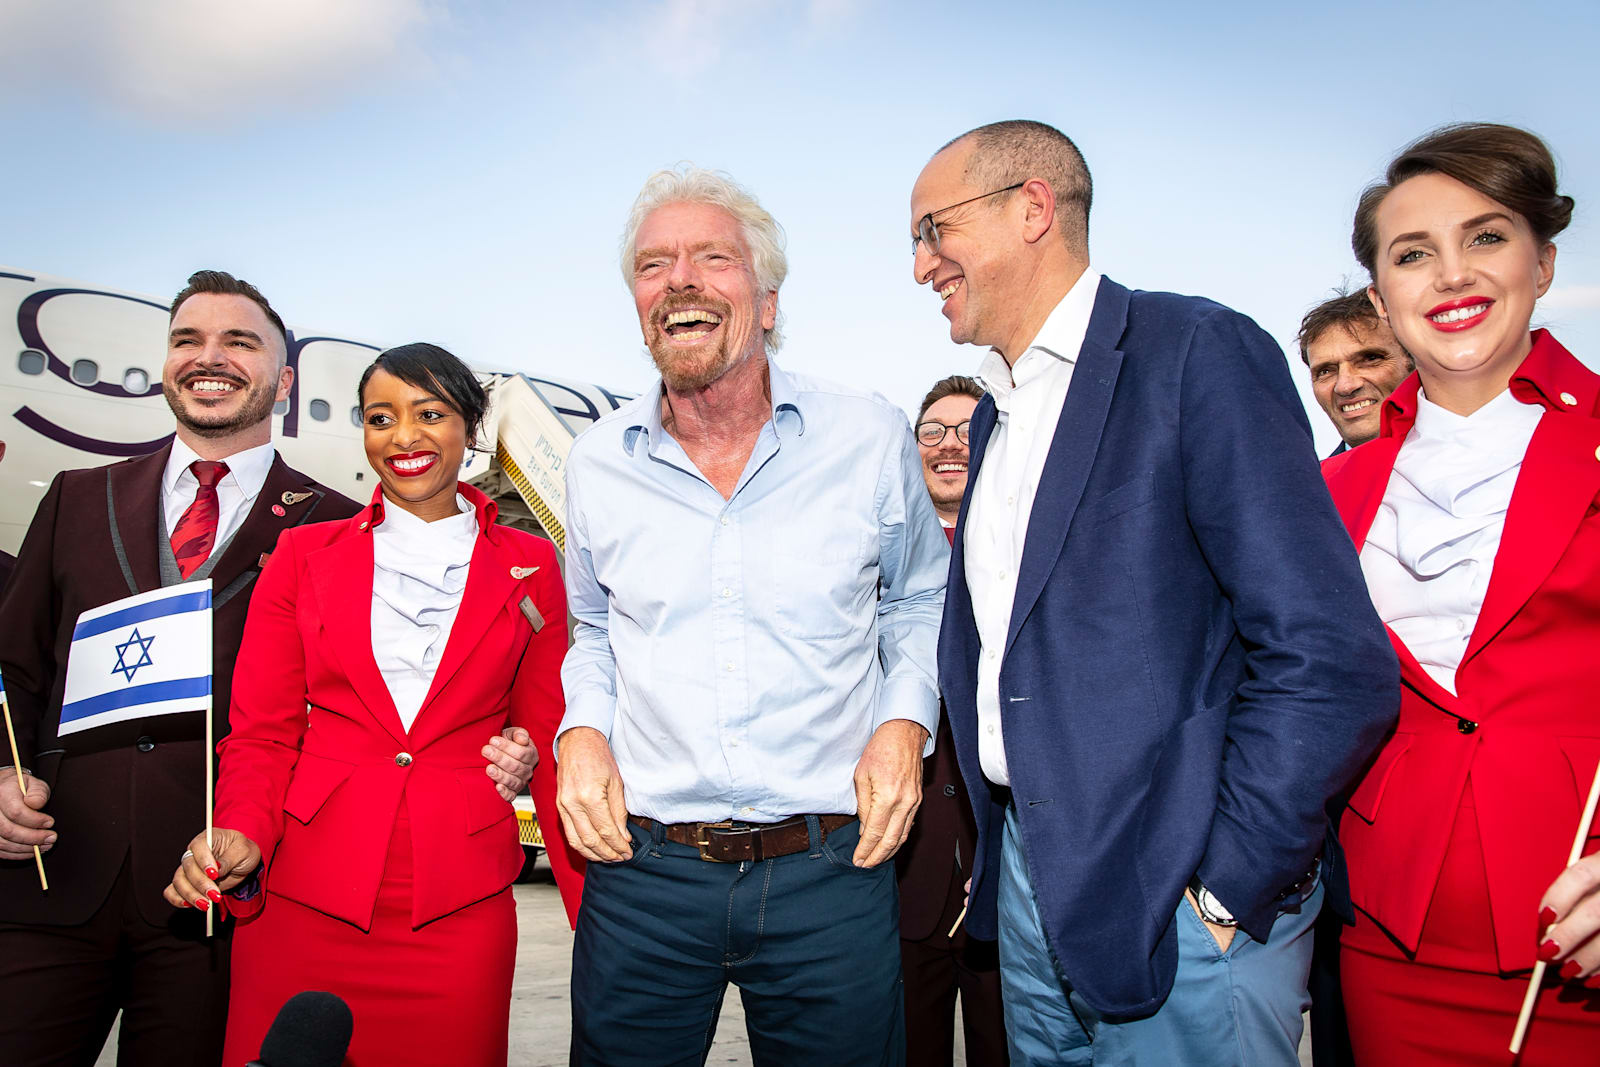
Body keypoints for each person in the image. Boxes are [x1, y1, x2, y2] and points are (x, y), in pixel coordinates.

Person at [912, 120, 1398, 1064]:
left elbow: (1325, 651)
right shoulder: (995, 418)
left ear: (1032, 210)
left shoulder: (1194, 353)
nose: (922, 264)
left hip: (1182, 899)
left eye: (934, 229)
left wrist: (1225, 882)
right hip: (1028, 883)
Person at [557, 166, 948, 1066]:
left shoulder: (869, 436)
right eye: (655, 265)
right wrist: (582, 729)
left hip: (830, 873)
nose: (681, 279)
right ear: (638, 302)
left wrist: (903, 721)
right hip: (642, 873)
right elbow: (591, 629)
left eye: (712, 258)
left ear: (766, 301)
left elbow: (920, 598)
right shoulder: (594, 462)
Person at [0, 271, 387, 1066]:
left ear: (282, 381)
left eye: (239, 342)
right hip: (50, 873)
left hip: (213, 898)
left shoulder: (338, 527)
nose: (209, 356)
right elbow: (14, 668)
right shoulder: (78, 496)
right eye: (188, 340)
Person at [165, 342, 582, 1066]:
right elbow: (262, 733)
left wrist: (596, 910)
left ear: (471, 428)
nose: (404, 436)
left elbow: (547, 742)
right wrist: (238, 829)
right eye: (381, 417)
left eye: (430, 413)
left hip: (460, 907)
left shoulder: (533, 564)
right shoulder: (303, 554)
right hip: (305, 898)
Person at [1324, 122, 1600, 1065]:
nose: (1450, 275)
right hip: (1387, 938)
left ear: (1544, 261)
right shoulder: (1332, 491)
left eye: (1485, 237)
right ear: (1380, 295)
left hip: (1581, 944)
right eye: (1413, 254)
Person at [896, 373, 1008, 1066]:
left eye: (968, 429)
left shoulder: (1021, 552)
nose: (949, 444)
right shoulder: (879, 563)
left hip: (1003, 879)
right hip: (903, 875)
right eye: (932, 431)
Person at [1297, 290, 1413, 453]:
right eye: (1325, 371)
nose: (1345, 386)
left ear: (1415, 363)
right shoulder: (1311, 479)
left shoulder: (1459, 461)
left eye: (1370, 359)